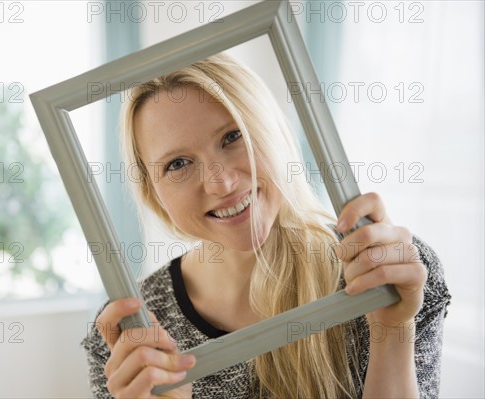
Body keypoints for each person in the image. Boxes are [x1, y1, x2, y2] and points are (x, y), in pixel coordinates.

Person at [82, 53, 450, 398]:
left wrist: (393, 329)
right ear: (153, 192)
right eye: (178, 164)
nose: (221, 184)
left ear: (272, 130)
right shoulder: (128, 336)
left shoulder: (387, 271)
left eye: (232, 136)